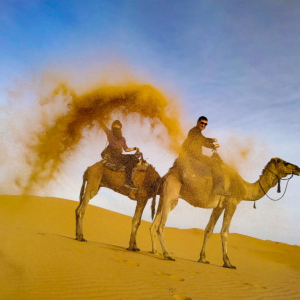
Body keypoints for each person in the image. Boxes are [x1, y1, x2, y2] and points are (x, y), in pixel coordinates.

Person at [180, 116, 230, 196]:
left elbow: (203, 139)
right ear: (197, 122)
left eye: (205, 124)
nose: (203, 125)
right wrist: (213, 146)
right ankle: (217, 187)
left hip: (192, 155)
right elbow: (201, 141)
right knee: (214, 163)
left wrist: (212, 140)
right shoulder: (194, 131)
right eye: (202, 123)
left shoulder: (196, 131)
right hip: (194, 156)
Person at [99, 119, 140, 190]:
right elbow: (103, 127)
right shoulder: (110, 133)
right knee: (126, 158)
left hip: (119, 155)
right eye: (115, 125)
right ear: (113, 126)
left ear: (120, 127)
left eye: (118, 125)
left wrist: (135, 148)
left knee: (134, 159)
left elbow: (126, 149)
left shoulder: (122, 139)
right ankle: (111, 162)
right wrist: (98, 118)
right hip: (111, 153)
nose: (117, 126)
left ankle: (128, 181)